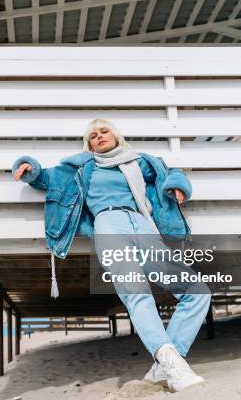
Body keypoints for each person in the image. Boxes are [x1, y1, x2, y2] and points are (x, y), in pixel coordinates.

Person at [11, 119, 211, 392]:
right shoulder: (82, 167)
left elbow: (168, 172)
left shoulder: (138, 161)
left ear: (116, 136)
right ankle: (173, 365)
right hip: (108, 225)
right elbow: (46, 178)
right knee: (137, 293)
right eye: (93, 135)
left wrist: (177, 186)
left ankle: (162, 367)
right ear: (89, 144)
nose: (99, 137)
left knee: (197, 291)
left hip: (143, 224)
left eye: (104, 131)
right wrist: (27, 167)